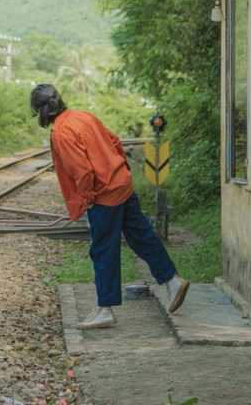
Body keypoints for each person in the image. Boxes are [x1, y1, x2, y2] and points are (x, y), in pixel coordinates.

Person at [30, 83, 189, 330]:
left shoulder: (61, 132)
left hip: (104, 194)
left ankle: (104, 309)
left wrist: (89, 197)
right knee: (141, 235)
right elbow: (114, 141)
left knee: (103, 250)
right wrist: (121, 171)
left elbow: (82, 171)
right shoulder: (84, 116)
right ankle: (171, 281)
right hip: (121, 184)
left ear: (40, 111)